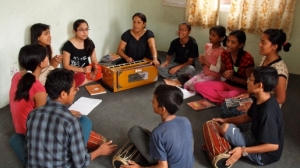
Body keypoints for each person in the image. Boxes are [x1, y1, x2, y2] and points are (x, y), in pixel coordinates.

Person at [26, 68, 117, 167]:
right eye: (74, 88)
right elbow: (80, 163)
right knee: (85, 122)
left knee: (15, 139)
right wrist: (100, 151)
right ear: (63, 94)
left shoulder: (33, 113)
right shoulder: (71, 122)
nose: (76, 91)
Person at [212, 66, 284, 166]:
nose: (247, 81)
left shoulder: (268, 113)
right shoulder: (260, 98)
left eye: (250, 79)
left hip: (263, 154)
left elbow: (273, 146)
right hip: (256, 132)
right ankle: (236, 137)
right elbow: (248, 117)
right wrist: (225, 120)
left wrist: (242, 150)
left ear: (259, 85)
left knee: (225, 128)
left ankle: (236, 145)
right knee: (230, 121)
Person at [220, 29, 291, 118]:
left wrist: (254, 105)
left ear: (274, 46)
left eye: (263, 42)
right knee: (225, 105)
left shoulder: (279, 71)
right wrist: (248, 94)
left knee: (228, 112)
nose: (259, 44)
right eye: (260, 41)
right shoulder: (264, 59)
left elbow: (280, 99)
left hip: (266, 107)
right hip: (256, 98)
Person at [121, 84, 194, 168]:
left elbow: (163, 167)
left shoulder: (158, 133)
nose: (151, 102)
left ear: (162, 109)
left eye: (154, 101)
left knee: (134, 131)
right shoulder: (185, 120)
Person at [9, 44, 49, 166]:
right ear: (41, 63)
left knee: (14, 139)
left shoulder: (17, 76)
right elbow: (41, 121)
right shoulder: (39, 89)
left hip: (18, 128)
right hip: (30, 133)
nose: (48, 58)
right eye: (46, 56)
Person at [194, 30, 254, 104]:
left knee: (230, 95)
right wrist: (225, 74)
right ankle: (226, 101)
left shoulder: (247, 57)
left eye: (233, 42)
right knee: (197, 85)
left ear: (241, 45)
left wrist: (232, 77)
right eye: (228, 41)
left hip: (241, 88)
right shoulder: (225, 54)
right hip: (226, 84)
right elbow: (222, 72)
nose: (228, 44)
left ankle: (222, 98)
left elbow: (249, 82)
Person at [184, 25, 226, 91]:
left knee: (194, 86)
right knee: (186, 85)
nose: (210, 37)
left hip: (213, 77)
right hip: (204, 73)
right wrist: (202, 61)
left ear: (221, 38)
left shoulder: (221, 51)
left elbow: (217, 69)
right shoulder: (208, 46)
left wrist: (205, 62)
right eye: (210, 35)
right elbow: (203, 64)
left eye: (213, 36)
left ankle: (211, 86)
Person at [62, 19, 99, 86]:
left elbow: (94, 60)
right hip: (74, 72)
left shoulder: (89, 43)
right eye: (81, 30)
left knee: (103, 71)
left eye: (87, 29)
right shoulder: (68, 45)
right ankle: (85, 80)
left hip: (87, 71)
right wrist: (82, 69)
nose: (85, 32)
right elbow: (66, 66)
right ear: (74, 31)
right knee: (79, 77)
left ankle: (84, 80)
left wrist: (96, 68)